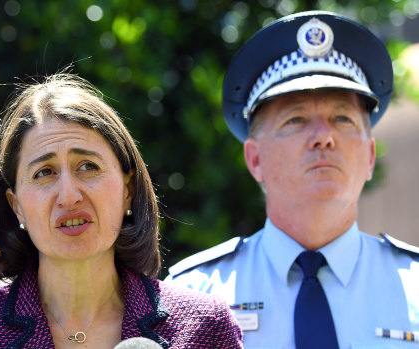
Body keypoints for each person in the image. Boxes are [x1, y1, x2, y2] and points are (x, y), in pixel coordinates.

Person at [0, 73, 244, 348]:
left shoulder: (205, 328)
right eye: (44, 173)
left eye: (88, 166)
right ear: (16, 206)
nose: (69, 195)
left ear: (128, 190)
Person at [166, 10, 419, 349]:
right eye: (296, 120)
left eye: (342, 118)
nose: (323, 137)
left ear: (370, 157)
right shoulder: (195, 294)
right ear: (255, 159)